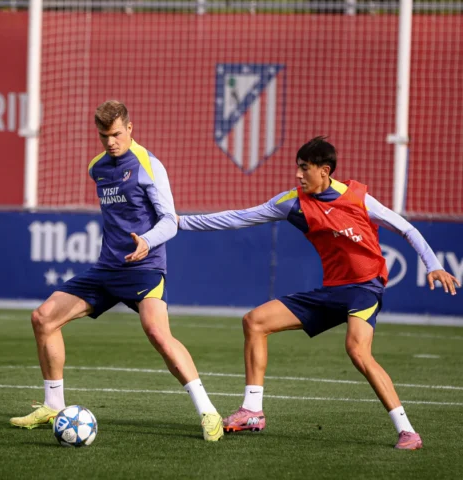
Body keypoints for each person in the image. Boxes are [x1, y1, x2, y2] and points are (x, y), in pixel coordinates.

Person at [178, 136, 459, 450]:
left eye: (304, 169)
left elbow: (407, 228)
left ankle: (407, 432)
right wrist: (179, 222)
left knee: (357, 350)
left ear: (325, 171)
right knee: (254, 321)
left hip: (365, 289)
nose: (298, 175)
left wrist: (433, 264)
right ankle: (252, 411)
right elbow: (237, 218)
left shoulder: (359, 198)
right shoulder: (293, 203)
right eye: (297, 168)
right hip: (332, 291)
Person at [10, 100, 224, 441]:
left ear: (130, 128)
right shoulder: (97, 167)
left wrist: (147, 242)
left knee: (157, 333)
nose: (111, 142)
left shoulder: (147, 164)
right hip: (108, 269)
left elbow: (170, 221)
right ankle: (53, 405)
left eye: (116, 134)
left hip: (145, 266)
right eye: (104, 135)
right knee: (43, 318)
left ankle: (208, 411)